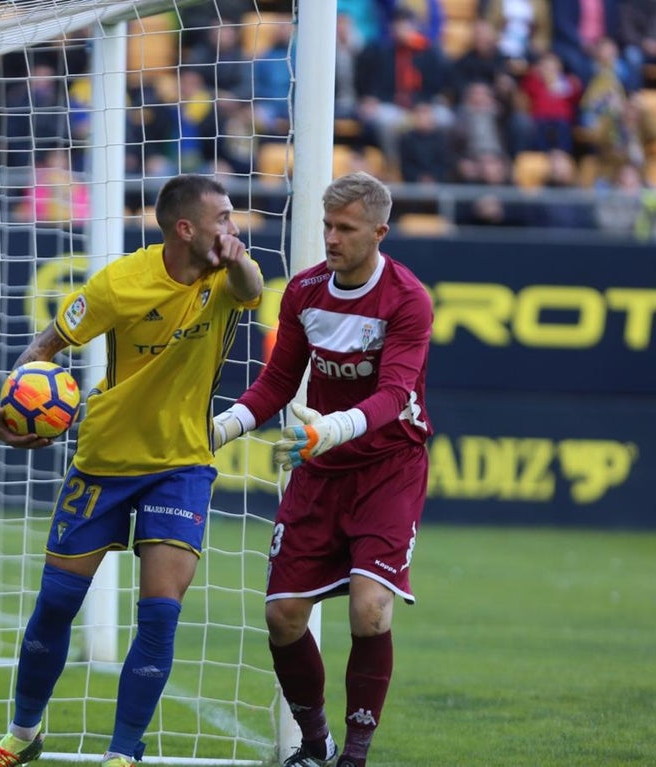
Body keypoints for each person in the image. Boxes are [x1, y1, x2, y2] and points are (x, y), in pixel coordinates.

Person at [0, 174, 263, 767]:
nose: (234, 229)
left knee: (159, 612)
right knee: (56, 604)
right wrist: (12, 411)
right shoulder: (121, 281)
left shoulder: (227, 277)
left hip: (181, 463)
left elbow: (252, 286)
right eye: (224, 219)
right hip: (103, 461)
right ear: (186, 228)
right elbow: (46, 346)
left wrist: (236, 256)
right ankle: (23, 734)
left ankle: (122, 754)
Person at [212, 172, 433, 767]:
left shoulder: (407, 300)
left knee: (369, 609)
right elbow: (279, 381)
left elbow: (394, 394)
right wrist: (223, 428)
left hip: (389, 466)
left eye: (346, 229)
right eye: (327, 226)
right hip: (320, 465)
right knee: (282, 616)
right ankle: (315, 747)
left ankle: (355, 756)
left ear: (379, 233)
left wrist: (330, 429)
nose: (331, 239)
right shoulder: (305, 291)